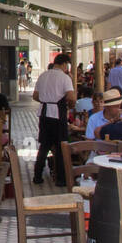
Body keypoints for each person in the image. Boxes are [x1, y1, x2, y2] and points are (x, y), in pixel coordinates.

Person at [32, 52, 76, 184]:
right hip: (57, 114)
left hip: (44, 113)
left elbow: (35, 96)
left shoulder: (43, 75)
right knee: (61, 146)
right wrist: (70, 105)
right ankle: (61, 179)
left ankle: (37, 176)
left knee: (44, 145)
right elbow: (71, 97)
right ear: (63, 64)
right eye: (66, 65)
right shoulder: (64, 78)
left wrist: (46, 99)